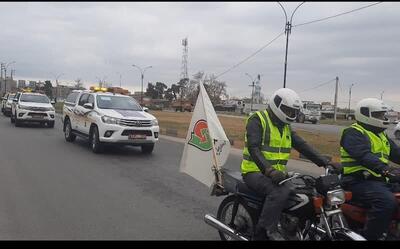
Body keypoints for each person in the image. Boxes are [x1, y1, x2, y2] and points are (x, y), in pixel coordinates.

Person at [241, 88, 331, 240]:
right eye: (288, 111)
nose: (291, 115)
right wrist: (269, 171)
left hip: (277, 174)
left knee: (304, 193)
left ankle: (292, 228)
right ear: (277, 105)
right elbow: (253, 148)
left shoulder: (285, 126)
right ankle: (265, 232)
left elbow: (302, 145)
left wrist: (325, 162)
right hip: (254, 172)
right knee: (278, 192)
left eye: (293, 112)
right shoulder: (258, 119)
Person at [340, 98, 400, 240]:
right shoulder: (353, 132)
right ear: (366, 114)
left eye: (383, 114)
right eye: (379, 115)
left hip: (380, 181)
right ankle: (372, 236)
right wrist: (386, 170)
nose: (383, 118)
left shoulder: (381, 135)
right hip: (358, 181)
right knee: (386, 202)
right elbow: (363, 155)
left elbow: (397, 154)